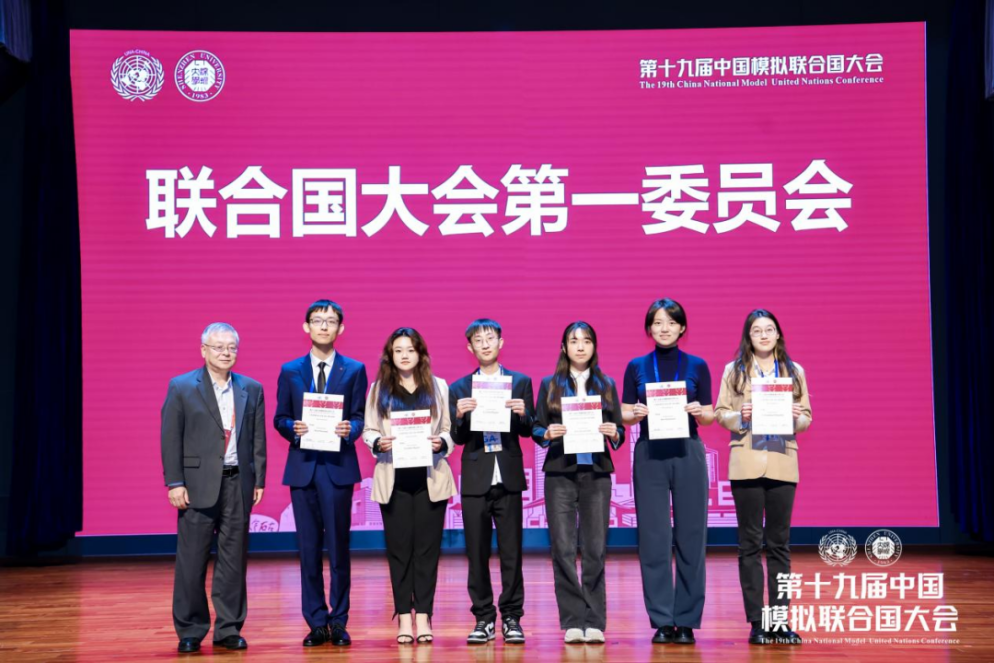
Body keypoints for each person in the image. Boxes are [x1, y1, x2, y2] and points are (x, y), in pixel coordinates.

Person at [160, 322, 266, 654]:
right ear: (203, 350)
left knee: (234, 560)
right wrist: (175, 482)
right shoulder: (182, 386)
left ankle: (229, 628)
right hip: (196, 485)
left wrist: (259, 479)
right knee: (192, 561)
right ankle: (190, 629)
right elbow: (170, 438)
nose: (226, 353)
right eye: (218, 347)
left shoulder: (251, 388)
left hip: (238, 482)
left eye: (232, 347)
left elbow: (257, 439)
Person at [714, 309, 812, 646]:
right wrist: (740, 415)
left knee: (780, 544)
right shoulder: (734, 370)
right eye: (757, 331)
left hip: (783, 461)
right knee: (750, 544)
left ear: (778, 334)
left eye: (769, 329)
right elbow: (720, 413)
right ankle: (757, 621)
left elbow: (807, 417)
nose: (764, 335)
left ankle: (780, 620)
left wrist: (796, 417)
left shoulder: (794, 371)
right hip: (746, 462)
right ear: (749, 336)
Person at [274, 300, 367, 647]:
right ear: (306, 327)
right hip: (303, 468)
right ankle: (316, 621)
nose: (324, 326)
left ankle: (339, 621)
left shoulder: (354, 369)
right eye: (317, 320)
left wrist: (350, 429)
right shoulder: (290, 370)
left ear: (341, 328)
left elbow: (359, 416)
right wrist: (293, 428)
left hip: (338, 468)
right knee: (308, 549)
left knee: (339, 548)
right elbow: (280, 418)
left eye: (330, 321)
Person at [622, 298, 714, 645]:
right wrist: (634, 414)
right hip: (650, 453)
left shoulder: (698, 365)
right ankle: (662, 619)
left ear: (682, 327)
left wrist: (699, 411)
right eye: (658, 322)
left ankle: (687, 620)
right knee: (654, 539)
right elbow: (624, 412)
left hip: (688, 450)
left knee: (691, 536)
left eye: (671, 322)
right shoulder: (636, 366)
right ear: (649, 328)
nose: (664, 328)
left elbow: (709, 415)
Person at [532, 321, 625, 645]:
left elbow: (619, 429)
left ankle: (594, 620)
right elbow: (536, 426)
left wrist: (614, 433)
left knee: (595, 548)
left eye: (586, 341)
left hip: (596, 474)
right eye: (574, 341)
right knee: (563, 548)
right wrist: (546, 433)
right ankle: (573, 620)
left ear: (594, 346)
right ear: (564, 347)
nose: (580, 346)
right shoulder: (549, 384)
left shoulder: (607, 384)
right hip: (560, 473)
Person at [362, 327, 455, 644]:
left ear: (420, 354)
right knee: (399, 552)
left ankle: (424, 615)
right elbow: (369, 430)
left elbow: (449, 430)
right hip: (394, 480)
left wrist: (441, 442)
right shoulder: (378, 389)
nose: (404, 355)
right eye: (398, 350)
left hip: (431, 480)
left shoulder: (439, 386)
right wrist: (378, 442)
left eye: (410, 349)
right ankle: (404, 616)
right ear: (390, 355)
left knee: (427, 552)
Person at [449, 319, 534, 645]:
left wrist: (523, 414)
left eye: (490, 338)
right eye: (478, 340)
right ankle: (483, 617)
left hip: (508, 477)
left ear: (501, 342)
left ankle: (512, 617)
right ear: (469, 347)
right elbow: (457, 438)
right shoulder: (460, 388)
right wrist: (459, 416)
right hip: (476, 478)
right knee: (477, 552)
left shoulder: (520, 382)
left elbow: (527, 430)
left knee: (512, 553)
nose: (485, 344)